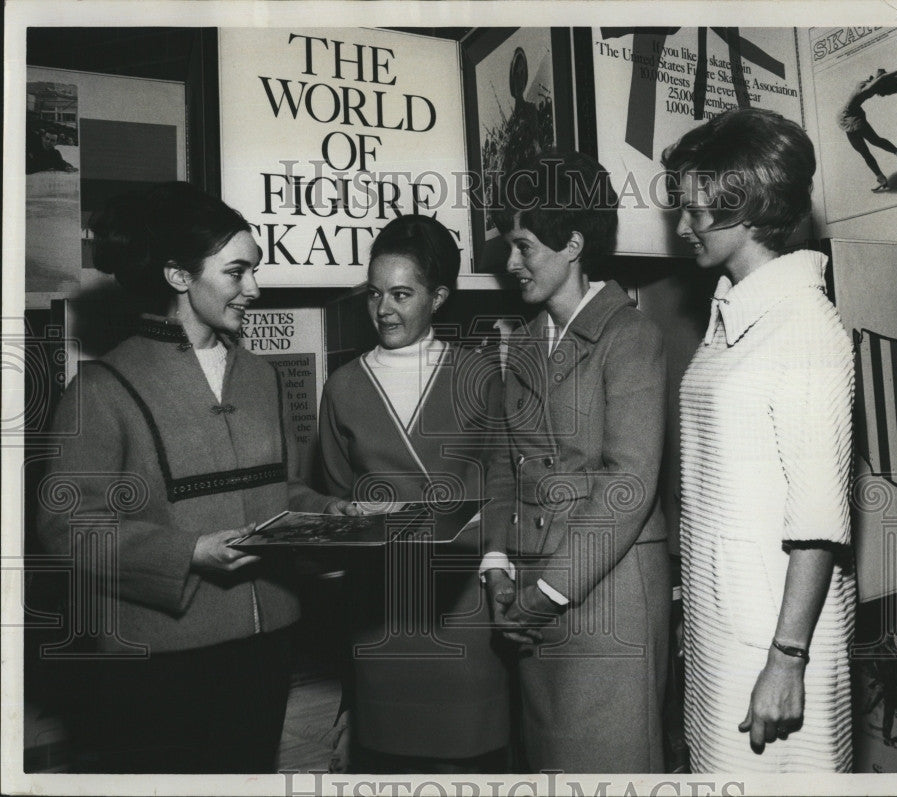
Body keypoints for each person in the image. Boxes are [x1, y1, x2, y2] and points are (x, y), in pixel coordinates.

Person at [35, 182, 342, 773]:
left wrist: (330, 514)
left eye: (254, 271)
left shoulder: (262, 378)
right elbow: (68, 528)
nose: (253, 288)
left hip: (269, 646)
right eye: (236, 273)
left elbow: (285, 491)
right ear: (179, 276)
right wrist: (189, 551)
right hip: (159, 660)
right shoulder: (100, 391)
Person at [663, 108, 856, 772]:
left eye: (694, 208)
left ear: (743, 206)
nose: (682, 224)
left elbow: (819, 521)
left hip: (776, 639)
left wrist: (787, 658)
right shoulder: (734, 316)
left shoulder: (805, 327)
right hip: (727, 627)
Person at [482, 150, 671, 772]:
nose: (511, 263)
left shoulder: (629, 336)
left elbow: (629, 483)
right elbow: (508, 470)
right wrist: (498, 566)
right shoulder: (529, 340)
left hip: (607, 595)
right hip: (534, 598)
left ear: (574, 243)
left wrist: (547, 591)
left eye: (524, 246)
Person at [318, 214, 510, 773]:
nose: (384, 309)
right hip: (382, 612)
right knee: (388, 767)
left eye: (402, 294)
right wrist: (344, 514)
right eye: (374, 293)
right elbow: (331, 492)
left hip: (464, 610)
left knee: (471, 765)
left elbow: (504, 478)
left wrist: (489, 543)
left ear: (438, 297)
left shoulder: (479, 375)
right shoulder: (344, 386)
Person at [837, 64, 897, 192]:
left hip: (849, 120)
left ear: (881, 80)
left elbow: (883, 77)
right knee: (876, 141)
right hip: (856, 117)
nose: (878, 72)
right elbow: (882, 77)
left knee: (865, 152)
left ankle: (881, 178)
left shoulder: (868, 88)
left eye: (881, 74)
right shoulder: (871, 84)